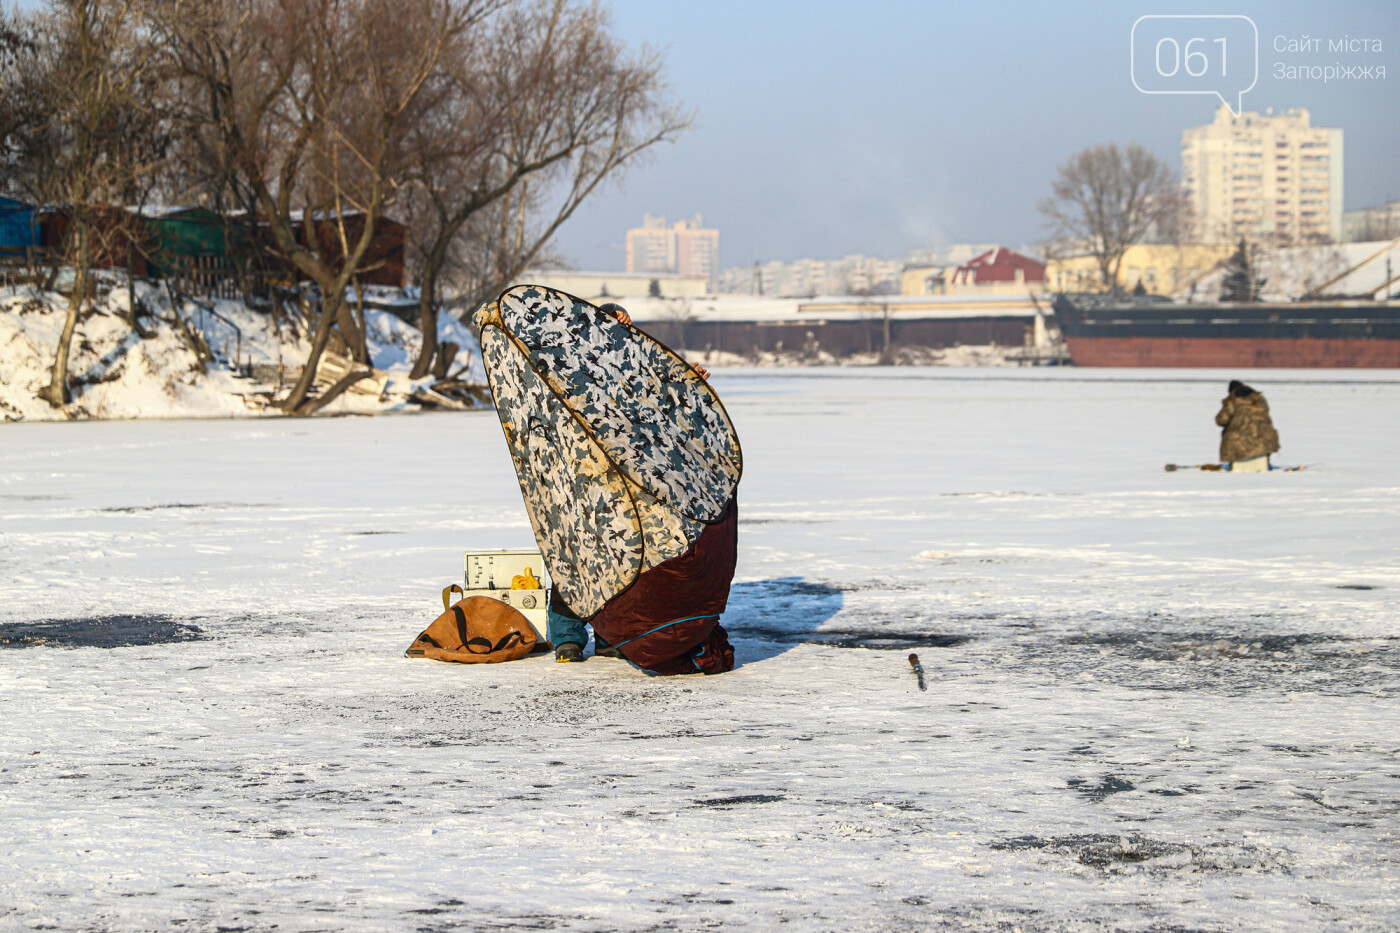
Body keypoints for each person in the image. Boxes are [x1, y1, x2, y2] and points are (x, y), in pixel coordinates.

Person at [550, 301, 733, 672]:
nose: (624, 328)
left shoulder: (637, 365)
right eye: (615, 322)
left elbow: (659, 409)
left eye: (625, 323)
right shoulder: (571, 364)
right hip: (582, 473)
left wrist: (687, 386)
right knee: (574, 551)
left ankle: (608, 635)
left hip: (625, 481)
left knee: (619, 553)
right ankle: (568, 636)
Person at [1215, 379, 1280, 472]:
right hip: (1263, 440)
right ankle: (1264, 464)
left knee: (1232, 436)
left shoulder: (1232, 401)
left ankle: (1236, 466)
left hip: (1237, 443)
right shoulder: (1260, 399)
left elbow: (1221, 420)